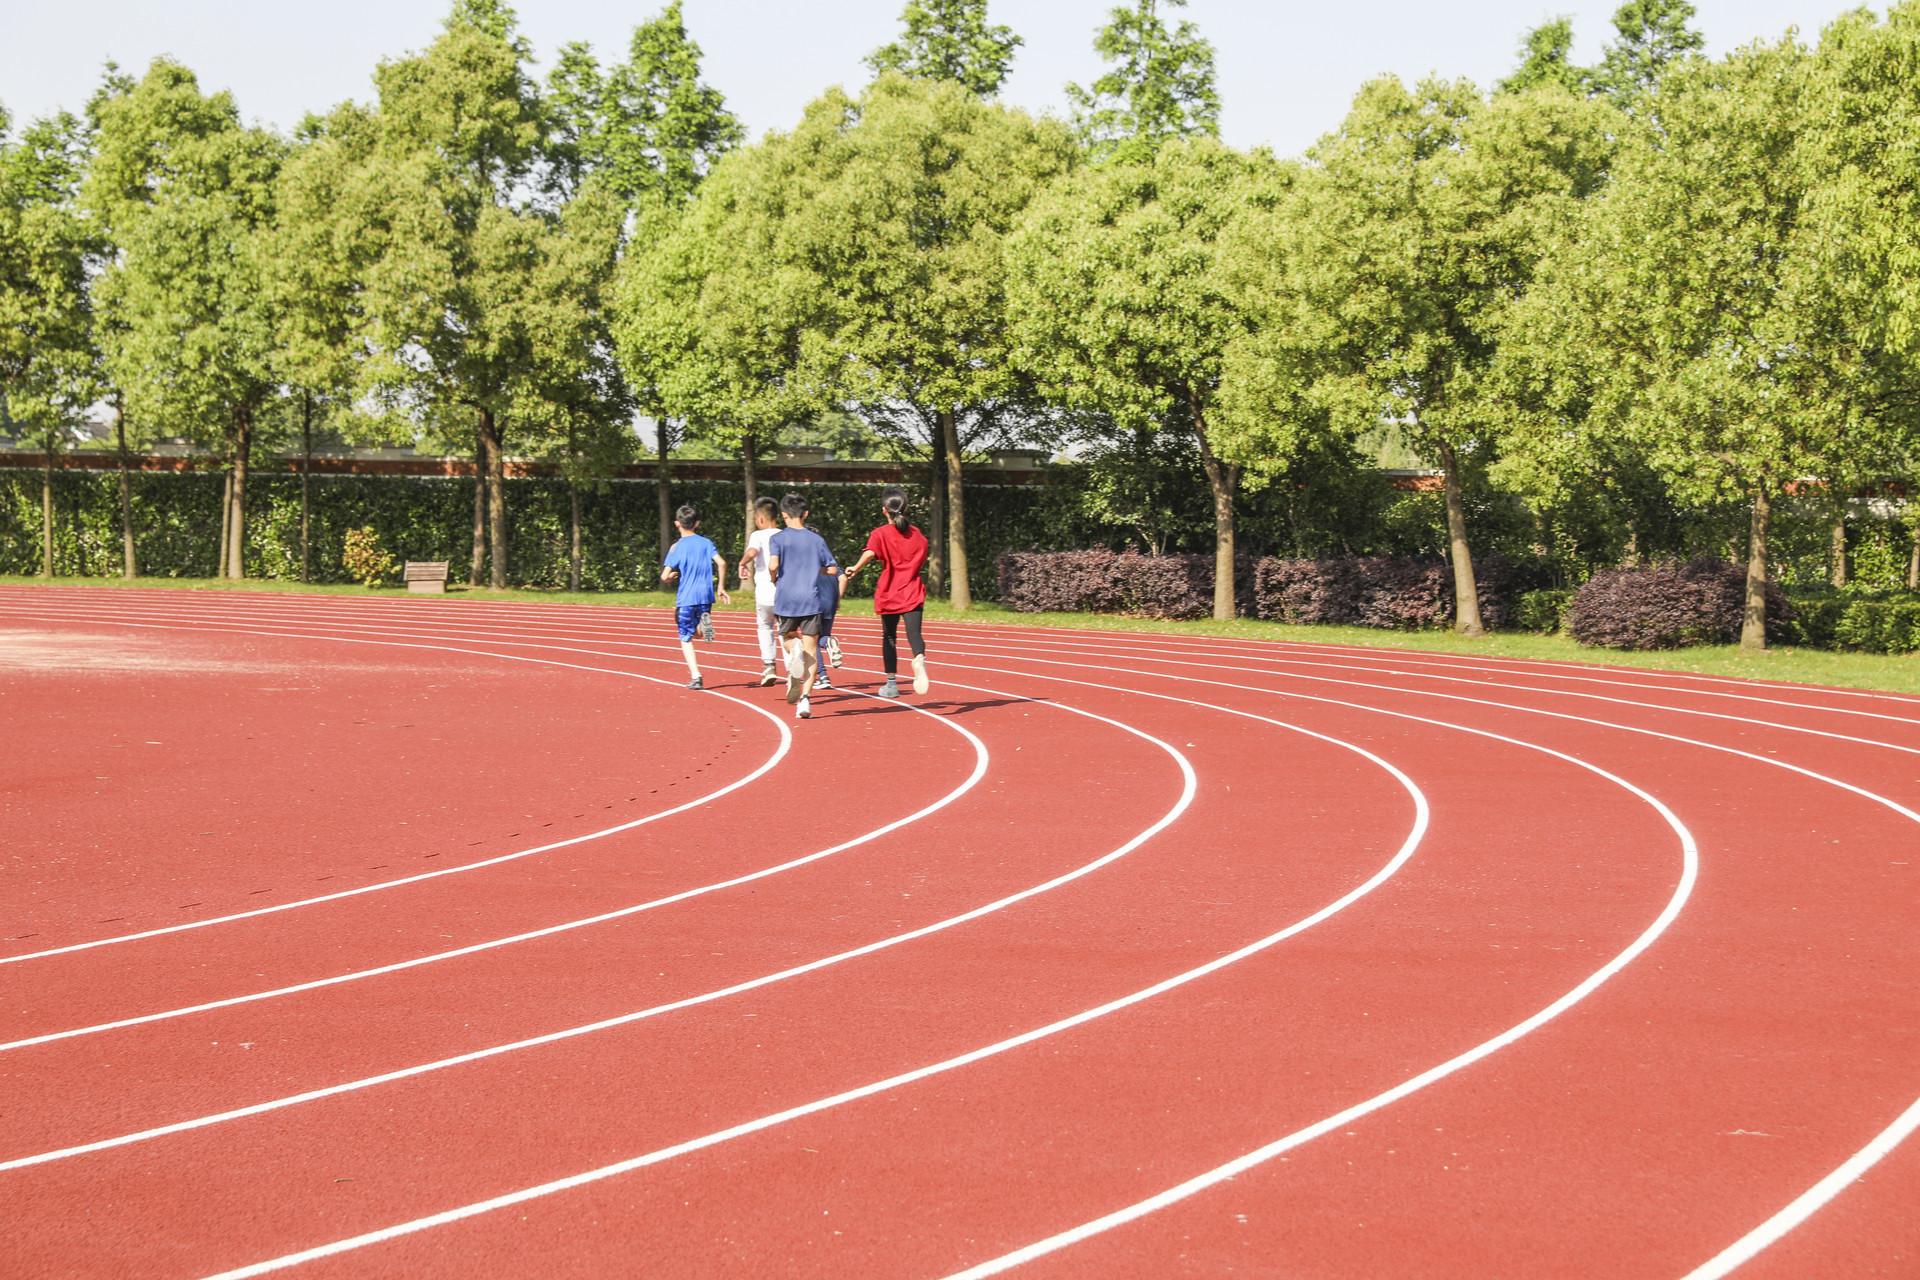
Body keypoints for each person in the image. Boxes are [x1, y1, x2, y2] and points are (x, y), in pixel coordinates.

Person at [841, 485, 930, 699]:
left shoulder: (880, 533)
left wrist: (856, 567)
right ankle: (919, 658)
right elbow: (923, 551)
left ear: (884, 510)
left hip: (890, 592)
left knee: (889, 637)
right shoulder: (917, 534)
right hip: (913, 590)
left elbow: (870, 553)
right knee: (914, 633)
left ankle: (891, 685)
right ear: (906, 508)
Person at [767, 491, 838, 719]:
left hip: (786, 599)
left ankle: (793, 646)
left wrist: (773, 578)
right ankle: (805, 701)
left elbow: (773, 565)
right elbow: (833, 569)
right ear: (806, 514)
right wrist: (816, 568)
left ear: (784, 515)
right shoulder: (817, 540)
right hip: (811, 600)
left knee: (788, 639)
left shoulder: (777, 538)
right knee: (811, 651)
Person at [659, 503, 730, 691]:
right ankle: (703, 627)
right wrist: (721, 587)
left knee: (685, 637)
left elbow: (664, 576)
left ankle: (696, 676)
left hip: (686, 597)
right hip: (706, 596)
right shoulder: (706, 543)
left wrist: (672, 576)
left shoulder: (677, 547)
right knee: (697, 631)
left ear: (677, 524)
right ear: (697, 523)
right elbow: (722, 563)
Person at [735, 496, 782, 686]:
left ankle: (769, 665)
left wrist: (742, 563)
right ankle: (792, 669)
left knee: (765, 626)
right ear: (777, 517)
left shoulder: (757, 536)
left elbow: (752, 552)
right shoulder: (784, 535)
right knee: (786, 630)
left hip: (764, 592)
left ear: (759, 519)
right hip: (784, 591)